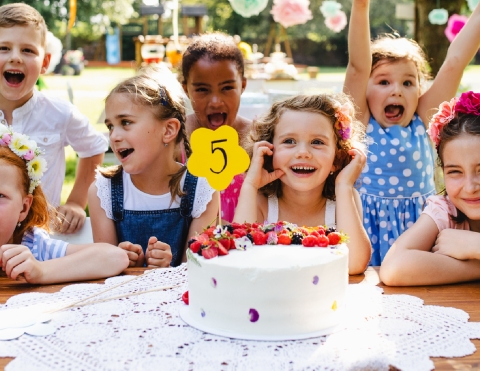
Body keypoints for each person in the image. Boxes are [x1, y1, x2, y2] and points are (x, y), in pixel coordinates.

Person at [344, 0, 480, 265]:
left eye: (408, 82)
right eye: (384, 82)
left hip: (423, 236)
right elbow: (357, 67)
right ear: (365, 90)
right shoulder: (361, 124)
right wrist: (361, 1)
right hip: (367, 236)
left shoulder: (422, 118)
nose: (398, 91)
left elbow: (456, 61)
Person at [88, 66, 218, 268]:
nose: (114, 136)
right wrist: (127, 263)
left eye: (126, 122)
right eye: (110, 126)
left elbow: (197, 271)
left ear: (168, 130)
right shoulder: (103, 191)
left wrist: (168, 267)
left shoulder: (202, 188)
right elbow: (104, 273)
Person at [234, 94, 372, 275]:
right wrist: (250, 185)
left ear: (337, 158)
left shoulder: (344, 198)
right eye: (289, 141)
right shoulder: (262, 201)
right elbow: (238, 257)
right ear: (269, 150)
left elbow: (353, 264)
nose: (303, 153)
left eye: (317, 142)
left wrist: (344, 186)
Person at [0, 3, 108, 234]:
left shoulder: (59, 113)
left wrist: (77, 202)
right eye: (4, 48)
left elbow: (94, 147)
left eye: (28, 50)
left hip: (43, 234)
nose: (15, 58)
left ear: (45, 63)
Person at [0, 127, 128, 284]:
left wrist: (41, 271)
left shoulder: (35, 248)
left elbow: (115, 257)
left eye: (1, 196)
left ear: (24, 207)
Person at [381, 92, 480, 285]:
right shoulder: (444, 210)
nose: (470, 187)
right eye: (455, 172)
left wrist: (475, 246)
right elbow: (394, 268)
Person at [182, 33, 251, 222]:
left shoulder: (256, 138)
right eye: (202, 89)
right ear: (185, 88)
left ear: (242, 85)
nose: (215, 101)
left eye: (227, 88)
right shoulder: (176, 140)